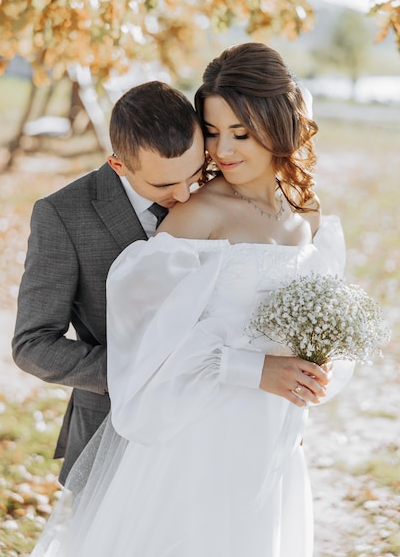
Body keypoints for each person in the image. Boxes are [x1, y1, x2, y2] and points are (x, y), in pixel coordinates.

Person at [30, 43, 353, 557]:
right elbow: (149, 348)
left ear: (280, 126)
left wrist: (320, 359)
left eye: (240, 134)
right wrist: (254, 369)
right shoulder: (195, 217)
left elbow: (322, 311)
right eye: (212, 132)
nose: (222, 151)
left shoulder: (306, 212)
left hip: (272, 430)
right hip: (198, 432)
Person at [12, 81, 206, 484]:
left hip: (211, 428)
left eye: (195, 172)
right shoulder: (62, 216)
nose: (186, 195)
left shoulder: (223, 188)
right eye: (163, 185)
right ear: (118, 164)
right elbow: (32, 345)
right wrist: (138, 372)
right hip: (112, 432)